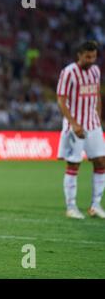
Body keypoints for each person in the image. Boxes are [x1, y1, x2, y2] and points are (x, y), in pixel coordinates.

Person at [56, 40, 105, 219]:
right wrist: (74, 123)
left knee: (101, 162)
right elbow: (61, 100)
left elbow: (97, 95)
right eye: (87, 57)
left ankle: (95, 205)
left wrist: (98, 117)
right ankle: (71, 207)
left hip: (93, 126)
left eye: (93, 57)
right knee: (73, 164)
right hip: (74, 127)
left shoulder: (95, 71)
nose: (91, 60)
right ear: (79, 55)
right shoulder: (68, 73)